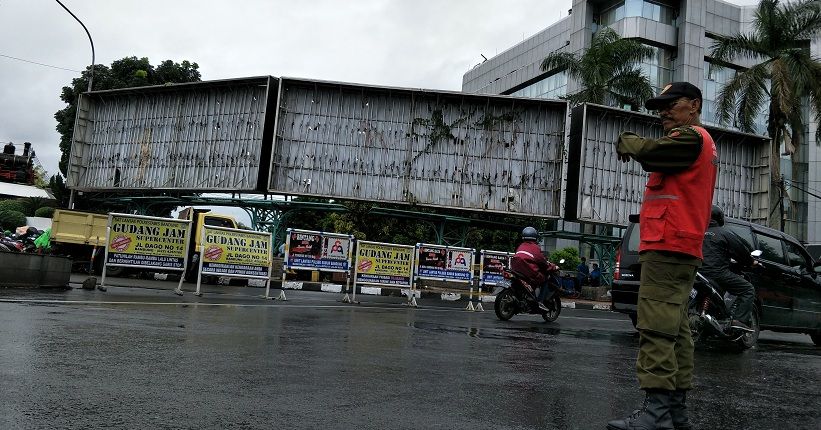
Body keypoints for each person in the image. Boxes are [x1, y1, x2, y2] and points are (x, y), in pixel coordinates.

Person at [607, 82, 718, 430]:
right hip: (679, 246)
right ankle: (674, 414)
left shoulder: (691, 138)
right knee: (677, 329)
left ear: (695, 105)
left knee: (656, 326)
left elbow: (650, 151)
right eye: (661, 106)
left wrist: (626, 138)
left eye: (672, 104)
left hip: (670, 245)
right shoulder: (694, 144)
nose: (664, 111)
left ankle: (655, 414)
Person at [700, 205, 756, 332]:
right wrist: (752, 262)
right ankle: (739, 321)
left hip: (697, 272)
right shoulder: (725, 233)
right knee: (748, 289)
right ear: (720, 218)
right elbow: (742, 252)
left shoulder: (697, 232)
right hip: (717, 273)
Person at [510, 226, 551, 312]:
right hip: (528, 272)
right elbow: (541, 261)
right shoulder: (535, 248)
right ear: (535, 236)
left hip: (516, 270)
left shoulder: (520, 245)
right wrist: (551, 266)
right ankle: (540, 302)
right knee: (545, 280)